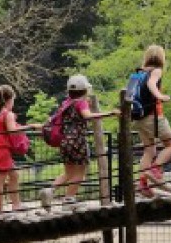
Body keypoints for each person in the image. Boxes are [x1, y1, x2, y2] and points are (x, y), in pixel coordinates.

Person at [39, 75, 118, 210]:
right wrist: (110, 113)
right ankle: (69, 200)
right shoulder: (81, 103)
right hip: (77, 141)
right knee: (80, 173)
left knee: (68, 173)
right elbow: (87, 116)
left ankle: (50, 191)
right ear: (84, 90)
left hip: (64, 142)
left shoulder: (66, 103)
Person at [0, 85, 41, 213]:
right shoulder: (8, 114)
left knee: (14, 175)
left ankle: (16, 204)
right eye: (13, 100)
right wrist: (30, 126)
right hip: (1, 150)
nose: (13, 103)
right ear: (8, 101)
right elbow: (12, 131)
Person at [133, 44, 171, 197]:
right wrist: (160, 96)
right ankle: (155, 168)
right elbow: (151, 84)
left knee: (149, 150)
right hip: (153, 117)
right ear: (161, 57)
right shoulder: (156, 70)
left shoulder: (139, 73)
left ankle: (143, 183)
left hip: (138, 117)